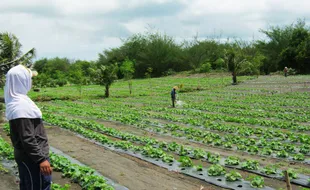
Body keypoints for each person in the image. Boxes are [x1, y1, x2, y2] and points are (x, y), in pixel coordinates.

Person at [4, 64, 52, 190]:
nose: (31, 81)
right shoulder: (20, 106)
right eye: (29, 78)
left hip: (29, 157)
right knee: (38, 186)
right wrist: (41, 160)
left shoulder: (17, 101)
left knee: (29, 186)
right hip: (32, 159)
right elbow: (28, 138)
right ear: (22, 80)